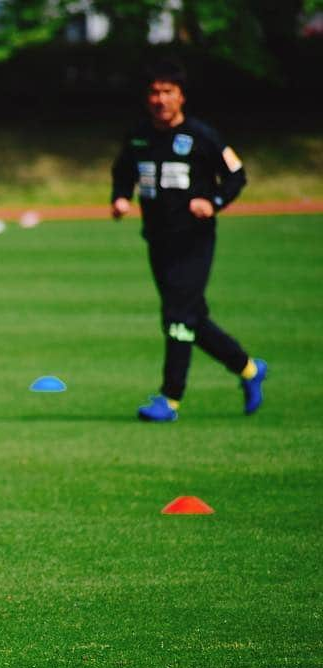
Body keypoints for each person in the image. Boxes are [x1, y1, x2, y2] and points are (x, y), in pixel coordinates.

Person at [111, 59, 267, 422]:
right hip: (158, 241)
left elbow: (236, 175)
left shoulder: (202, 136)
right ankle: (248, 369)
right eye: (154, 92)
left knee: (177, 317)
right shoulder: (138, 137)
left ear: (181, 97)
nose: (160, 99)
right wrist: (120, 197)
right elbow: (122, 173)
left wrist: (212, 202)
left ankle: (170, 398)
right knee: (192, 319)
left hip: (193, 242)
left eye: (168, 92)